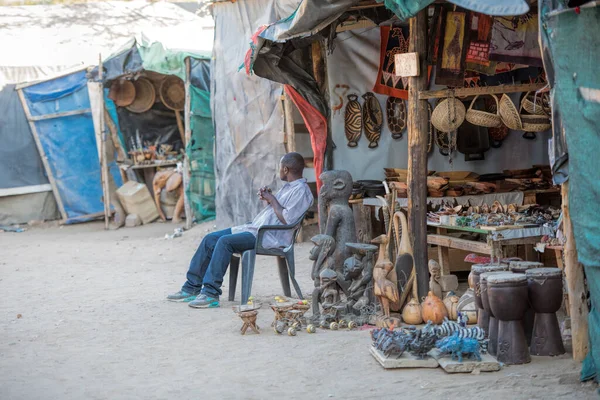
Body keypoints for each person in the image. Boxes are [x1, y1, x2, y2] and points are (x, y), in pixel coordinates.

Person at [167, 152, 313, 308]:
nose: (279, 170)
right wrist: (268, 198)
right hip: (256, 230)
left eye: (280, 167)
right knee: (209, 239)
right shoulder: (289, 188)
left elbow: (288, 219)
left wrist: (273, 200)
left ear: (285, 169)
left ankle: (210, 293)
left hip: (269, 236)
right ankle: (191, 287)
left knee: (224, 242)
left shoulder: (302, 191)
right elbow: (277, 212)